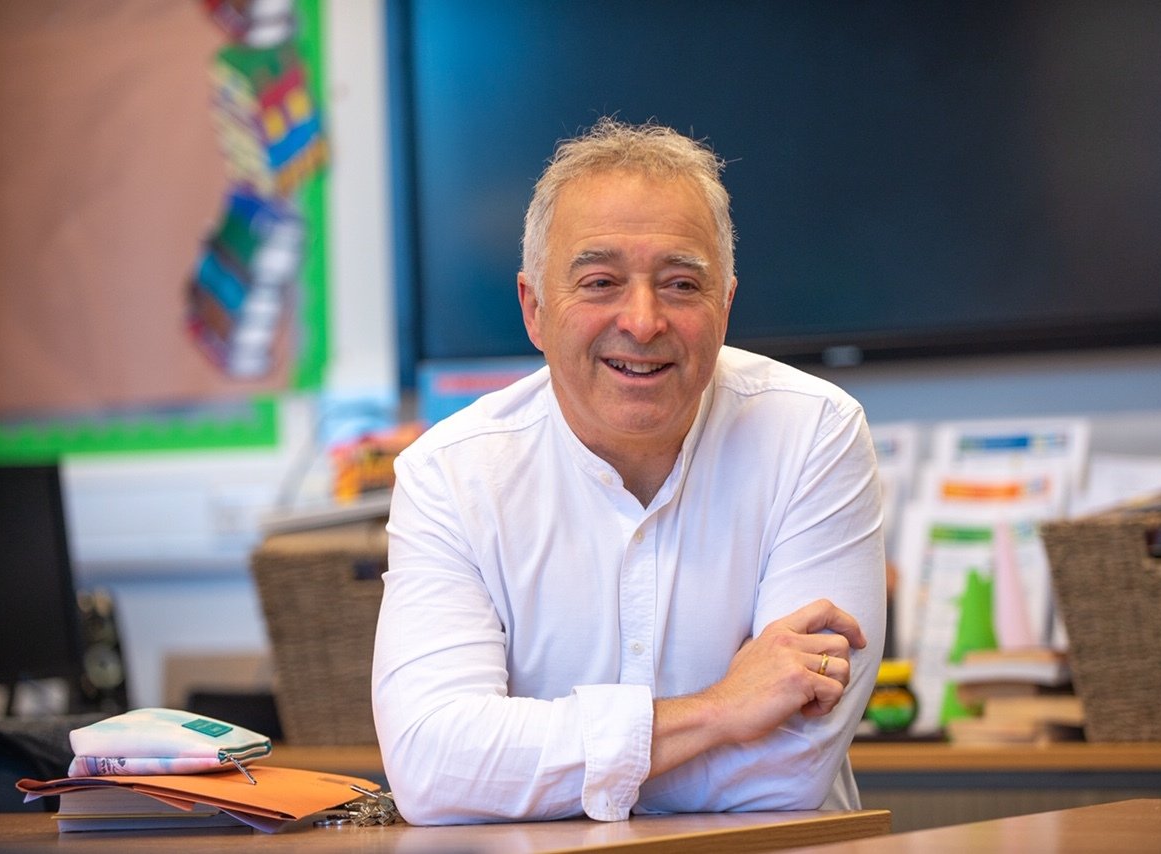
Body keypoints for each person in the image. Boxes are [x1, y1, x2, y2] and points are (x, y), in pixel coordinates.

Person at [372, 118, 887, 825]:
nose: (643, 322)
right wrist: (721, 711)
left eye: (681, 284)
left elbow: (787, 773)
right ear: (535, 309)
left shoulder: (813, 435)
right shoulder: (449, 475)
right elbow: (433, 770)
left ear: (725, 305)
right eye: (600, 281)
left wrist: (534, 776)